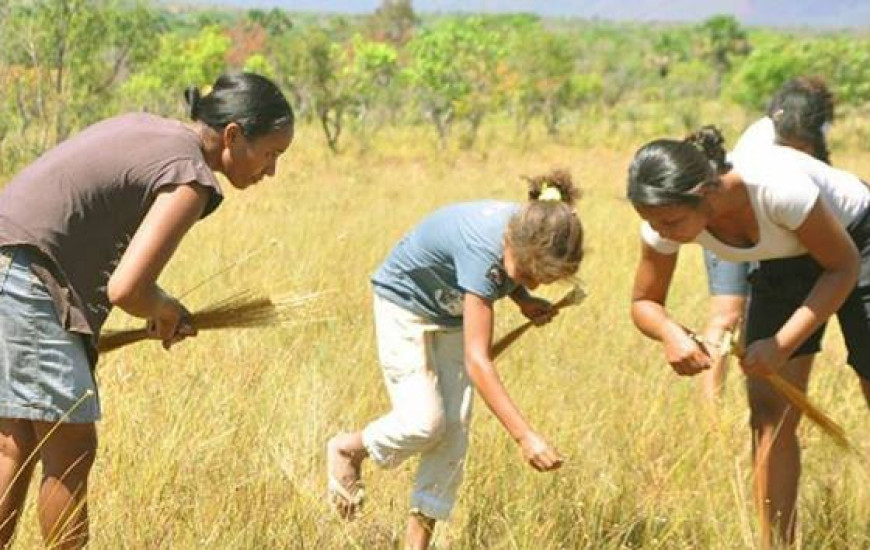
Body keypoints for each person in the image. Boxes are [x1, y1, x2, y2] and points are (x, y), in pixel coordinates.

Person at [0, 72, 294, 549]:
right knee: (72, 445)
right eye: (271, 154)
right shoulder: (190, 180)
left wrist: (155, 306)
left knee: (16, 440)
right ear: (234, 135)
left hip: (9, 259)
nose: (271, 170)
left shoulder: (157, 130)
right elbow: (127, 288)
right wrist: (164, 307)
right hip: (29, 277)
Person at [626, 127, 870, 547]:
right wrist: (669, 332)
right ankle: (777, 543)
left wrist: (780, 345)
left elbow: (842, 267)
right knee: (767, 413)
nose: (660, 232)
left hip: (857, 244)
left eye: (670, 222)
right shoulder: (663, 220)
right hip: (780, 260)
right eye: (651, 221)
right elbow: (644, 301)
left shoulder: (777, 189)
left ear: (707, 194)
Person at [327, 169, 584, 550]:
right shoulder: (484, 250)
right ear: (514, 246)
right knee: (423, 423)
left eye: (543, 281)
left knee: (453, 435)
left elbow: (504, 278)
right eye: (529, 275)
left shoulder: (537, 226)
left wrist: (524, 301)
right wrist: (525, 436)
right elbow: (478, 361)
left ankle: (417, 546)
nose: (533, 284)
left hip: (450, 311)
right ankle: (349, 448)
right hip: (405, 304)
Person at [699, 77, 836, 400]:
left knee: (757, 318)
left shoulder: (813, 129)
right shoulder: (764, 136)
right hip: (728, 224)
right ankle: (710, 411)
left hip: (773, 230)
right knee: (727, 314)